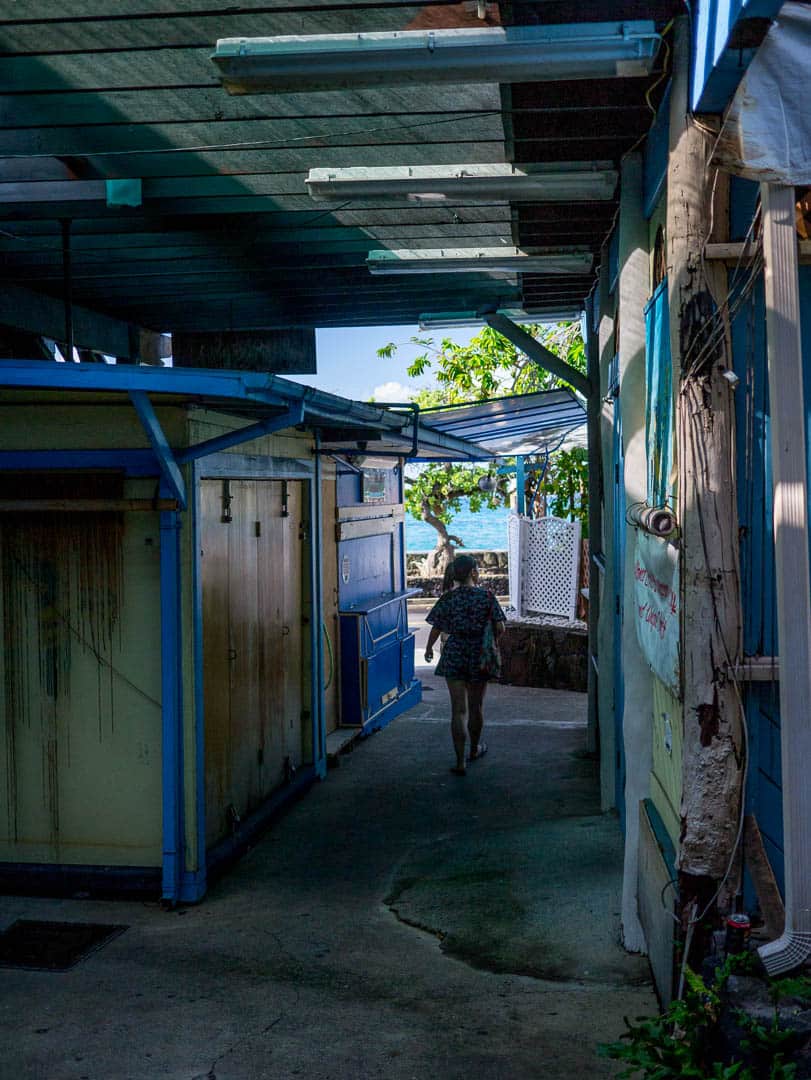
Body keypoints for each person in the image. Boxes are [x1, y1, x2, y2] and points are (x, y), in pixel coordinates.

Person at [424, 554, 506, 776]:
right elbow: (501, 627)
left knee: (458, 710)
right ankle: (474, 750)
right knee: (476, 707)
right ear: (473, 572)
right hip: (479, 656)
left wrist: (429, 648)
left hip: (455, 654)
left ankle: (460, 762)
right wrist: (492, 639)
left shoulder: (448, 598)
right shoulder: (487, 597)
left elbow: (436, 626)